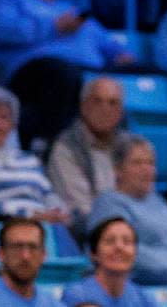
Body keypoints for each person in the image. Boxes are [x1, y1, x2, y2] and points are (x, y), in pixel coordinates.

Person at [0, 0, 133, 146]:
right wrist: (53, 28)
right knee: (65, 75)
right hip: (35, 74)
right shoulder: (8, 0)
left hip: (87, 72)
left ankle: (124, 155)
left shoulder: (70, 9)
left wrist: (120, 54)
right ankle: (54, 149)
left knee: (145, 75)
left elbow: (105, 41)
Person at [85, 137, 167, 285]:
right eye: (137, 163)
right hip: (136, 282)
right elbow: (123, 251)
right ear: (118, 170)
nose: (146, 169)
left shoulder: (157, 201)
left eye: (151, 163)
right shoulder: (108, 204)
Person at [47, 76, 131, 234]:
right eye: (97, 101)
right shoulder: (66, 148)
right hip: (93, 234)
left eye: (113, 103)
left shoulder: (130, 146)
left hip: (133, 227)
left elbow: (146, 198)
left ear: (121, 111)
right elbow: (82, 210)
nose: (105, 109)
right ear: (83, 106)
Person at [0, 87, 69, 223]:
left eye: (3, 117)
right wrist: (27, 215)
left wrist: (58, 211)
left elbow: (48, 194)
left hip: (41, 224)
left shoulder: (30, 160)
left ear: (13, 124)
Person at [61, 217, 157, 307]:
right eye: (110, 241)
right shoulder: (77, 294)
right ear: (93, 253)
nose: (119, 247)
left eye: (127, 241)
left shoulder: (145, 299)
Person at [0, 219, 62, 307]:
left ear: (44, 255)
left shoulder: (52, 303)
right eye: (16, 247)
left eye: (33, 247)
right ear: (1, 254)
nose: (25, 256)